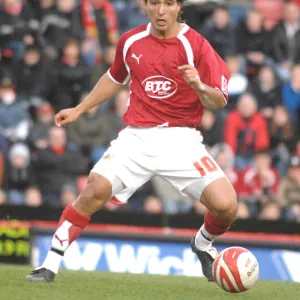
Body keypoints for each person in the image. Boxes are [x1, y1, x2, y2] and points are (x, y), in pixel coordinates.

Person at [25, 0, 236, 283]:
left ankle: (202, 243)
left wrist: (198, 85)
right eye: (155, 3)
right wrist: (79, 109)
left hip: (181, 139)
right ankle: (48, 265)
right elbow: (114, 78)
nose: (161, 10)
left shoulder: (196, 45)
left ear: (178, 8)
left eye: (168, 4)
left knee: (227, 206)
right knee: (94, 189)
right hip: (137, 137)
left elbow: (219, 101)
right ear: (145, 6)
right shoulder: (131, 41)